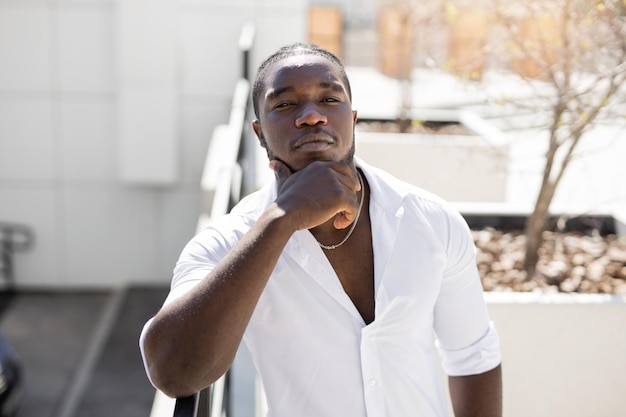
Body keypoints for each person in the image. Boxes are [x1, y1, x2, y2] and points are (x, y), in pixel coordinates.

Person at [140, 43, 502, 417]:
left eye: (330, 100)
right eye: (285, 105)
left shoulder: (432, 220)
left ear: (353, 117)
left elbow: (473, 357)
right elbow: (172, 373)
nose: (311, 116)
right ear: (259, 133)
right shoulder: (229, 243)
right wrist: (282, 219)